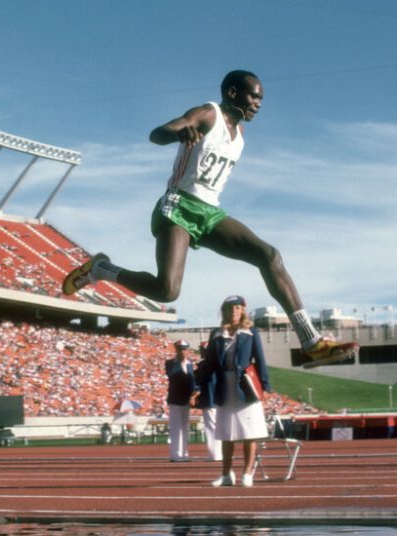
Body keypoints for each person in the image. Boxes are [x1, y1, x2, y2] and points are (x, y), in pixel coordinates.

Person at [62, 70, 357, 368]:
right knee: (168, 291)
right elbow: (157, 134)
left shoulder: (240, 135)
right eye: (253, 96)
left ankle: (311, 342)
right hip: (178, 207)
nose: (258, 103)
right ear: (232, 93)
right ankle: (101, 269)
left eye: (260, 98)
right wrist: (177, 132)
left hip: (210, 212)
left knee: (269, 256)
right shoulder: (207, 114)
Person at [198, 295, 269, 487]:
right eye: (230, 308)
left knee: (249, 432)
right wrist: (199, 386)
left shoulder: (251, 331)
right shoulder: (217, 333)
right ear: (225, 311)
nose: (234, 311)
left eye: (237, 307)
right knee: (226, 433)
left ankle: (247, 473)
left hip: (245, 385)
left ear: (243, 310)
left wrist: (265, 384)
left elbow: (260, 359)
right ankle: (226, 474)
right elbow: (210, 362)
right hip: (223, 385)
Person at [165, 339, 196, 461]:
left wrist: (193, 395)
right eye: (181, 349)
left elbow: (192, 381)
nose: (183, 352)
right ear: (177, 350)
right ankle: (176, 454)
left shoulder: (190, 364)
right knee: (176, 427)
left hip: (186, 399)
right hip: (175, 398)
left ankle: (184, 453)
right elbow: (172, 375)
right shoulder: (171, 363)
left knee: (184, 427)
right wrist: (180, 362)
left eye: (185, 349)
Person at [191, 341, 222, 461]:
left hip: (210, 398)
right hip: (218, 399)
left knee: (211, 427)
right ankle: (218, 453)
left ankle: (215, 454)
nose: (201, 352)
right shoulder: (218, 363)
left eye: (203, 349)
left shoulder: (205, 364)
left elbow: (199, 382)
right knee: (217, 426)